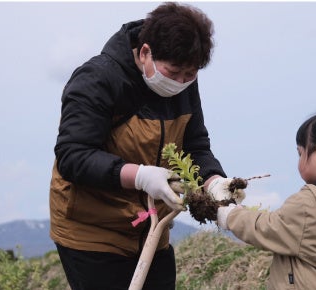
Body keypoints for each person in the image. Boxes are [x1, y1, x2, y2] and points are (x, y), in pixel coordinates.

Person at [49, 2, 244, 289]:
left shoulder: (185, 83)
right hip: (92, 230)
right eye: (174, 72)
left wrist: (214, 181)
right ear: (145, 52)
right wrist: (139, 176)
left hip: (152, 229)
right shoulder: (97, 80)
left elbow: (195, 145)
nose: (181, 82)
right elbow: (73, 156)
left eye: (190, 74)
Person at [216, 107, 316, 289]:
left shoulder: (308, 203)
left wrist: (230, 215)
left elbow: (267, 228)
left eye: (300, 153)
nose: (299, 160)